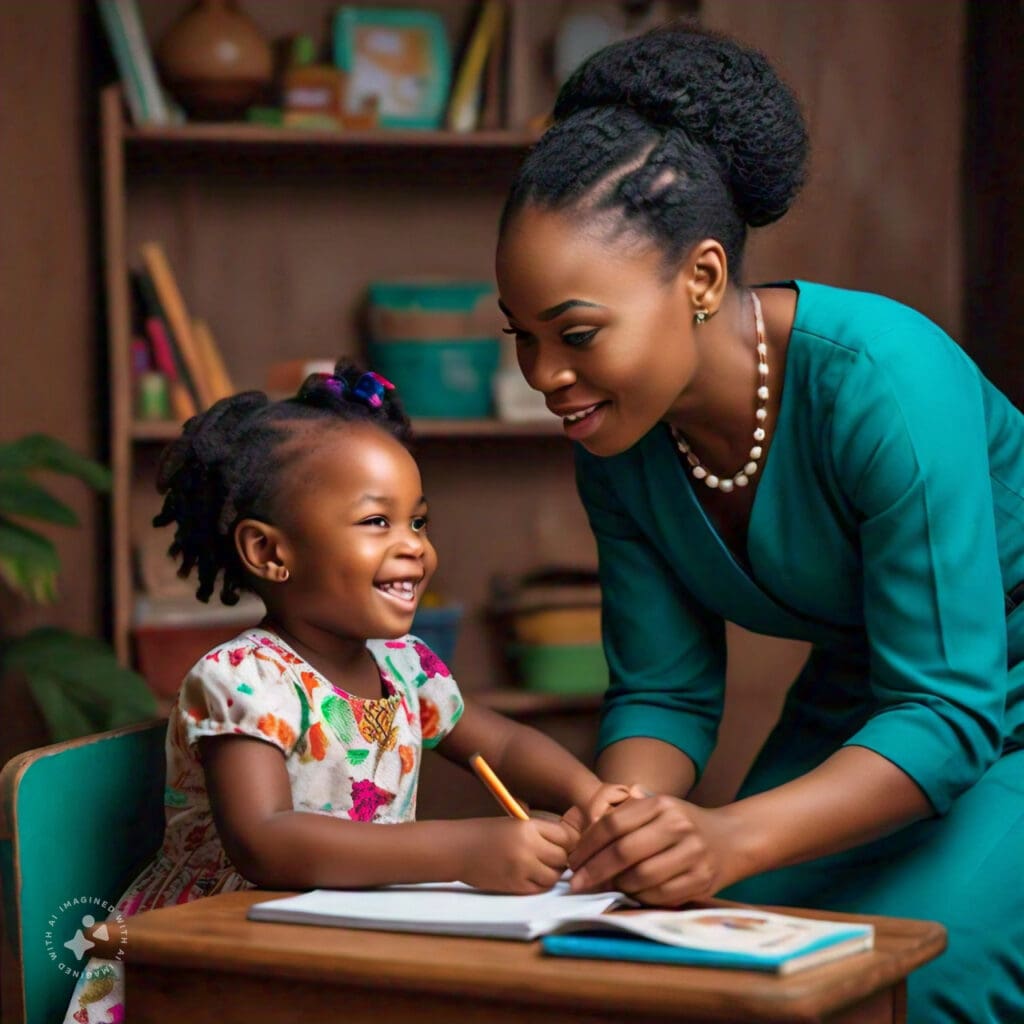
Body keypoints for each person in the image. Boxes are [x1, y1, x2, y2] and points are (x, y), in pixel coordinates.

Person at [495, 23, 1024, 1023]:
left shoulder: (884, 382)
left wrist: (728, 833)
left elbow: (951, 708)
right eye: (519, 337)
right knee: (683, 950)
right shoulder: (618, 435)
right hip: (871, 702)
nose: (543, 378)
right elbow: (663, 687)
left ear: (698, 279)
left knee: (915, 973)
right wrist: (633, 820)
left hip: (981, 700)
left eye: (574, 334)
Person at [63, 364, 626, 1024]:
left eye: (417, 522)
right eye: (376, 522)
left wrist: (592, 797)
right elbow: (265, 842)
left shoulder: (406, 667)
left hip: (337, 929)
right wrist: (465, 852)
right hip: (213, 955)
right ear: (270, 552)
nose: (414, 547)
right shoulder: (243, 679)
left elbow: (499, 740)